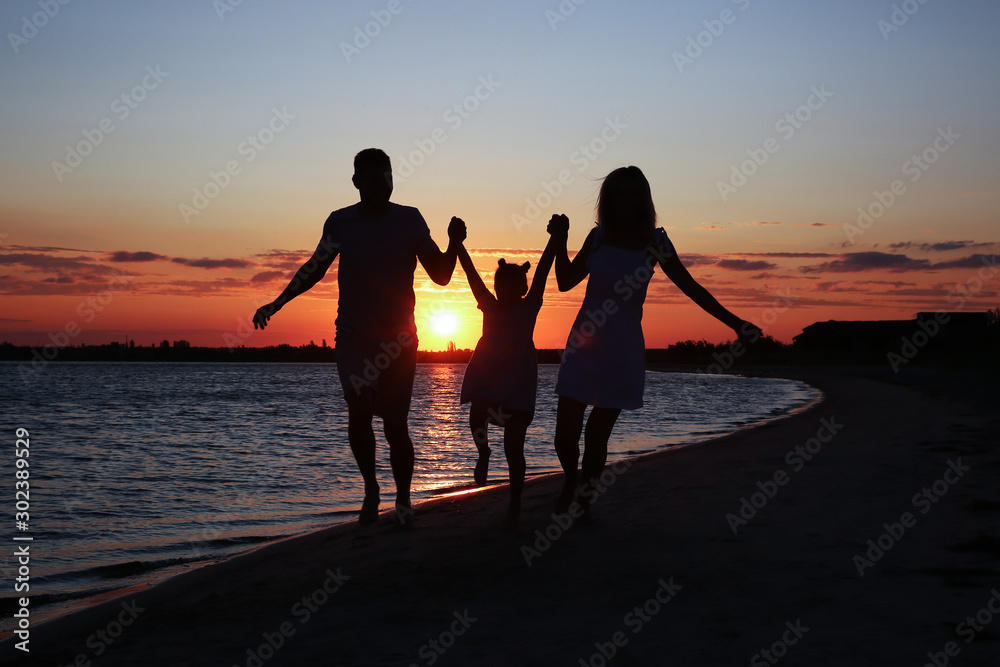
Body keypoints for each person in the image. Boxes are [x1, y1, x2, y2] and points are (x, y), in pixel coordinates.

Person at [252, 148, 466, 525]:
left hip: (399, 339)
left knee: (395, 426)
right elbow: (314, 269)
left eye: (388, 177)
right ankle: (371, 491)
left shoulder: (410, 220)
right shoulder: (341, 222)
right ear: (357, 183)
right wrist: (277, 302)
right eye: (373, 179)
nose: (382, 184)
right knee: (360, 410)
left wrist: (455, 242)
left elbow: (442, 275)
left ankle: (402, 499)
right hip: (353, 335)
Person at [548, 166, 762, 515]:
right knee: (564, 436)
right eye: (620, 193)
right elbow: (565, 281)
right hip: (583, 345)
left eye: (634, 194)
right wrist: (560, 240)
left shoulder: (656, 243)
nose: (627, 201)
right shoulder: (597, 237)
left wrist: (736, 322)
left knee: (597, 435)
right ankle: (571, 479)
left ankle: (584, 500)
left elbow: (691, 288)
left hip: (622, 349)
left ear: (644, 199)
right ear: (609, 199)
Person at [455, 221, 558, 526]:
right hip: (488, 377)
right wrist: (459, 244)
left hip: (518, 385)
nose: (507, 291)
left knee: (514, 449)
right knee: (477, 414)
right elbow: (472, 276)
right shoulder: (488, 305)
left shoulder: (529, 308)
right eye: (502, 286)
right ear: (496, 287)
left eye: (514, 287)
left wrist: (553, 239)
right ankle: (483, 452)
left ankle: (514, 502)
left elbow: (542, 272)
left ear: (523, 289)